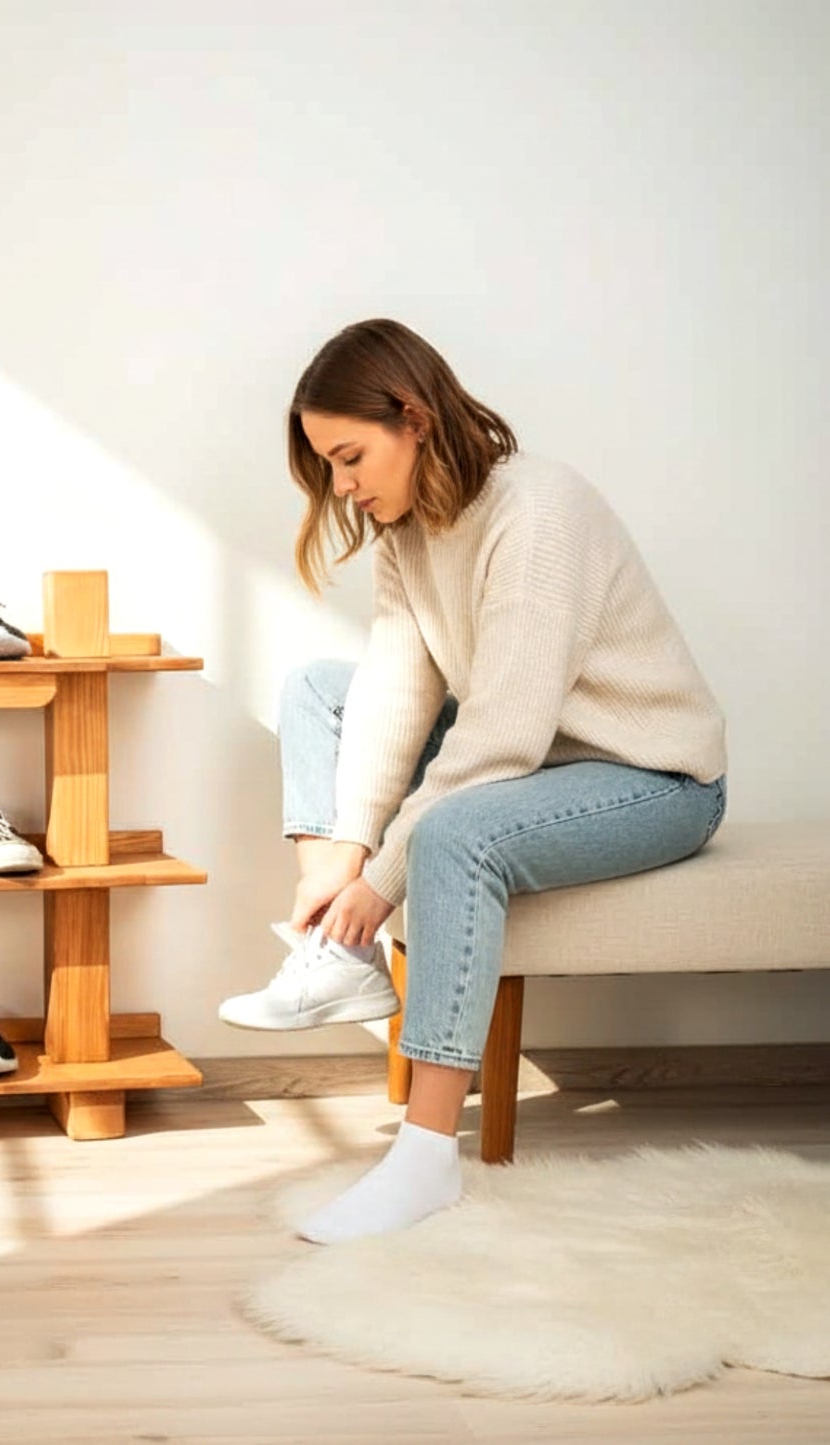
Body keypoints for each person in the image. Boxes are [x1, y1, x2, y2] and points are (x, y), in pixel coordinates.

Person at [218, 319, 728, 1245]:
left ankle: (424, 1157)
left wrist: (384, 877)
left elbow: (499, 739)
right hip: (532, 755)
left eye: (349, 457)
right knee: (319, 692)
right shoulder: (406, 532)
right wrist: (345, 856)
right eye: (329, 466)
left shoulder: (537, 512)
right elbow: (395, 692)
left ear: (412, 417)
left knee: (455, 833)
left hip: (647, 774)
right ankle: (337, 953)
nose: (342, 486)